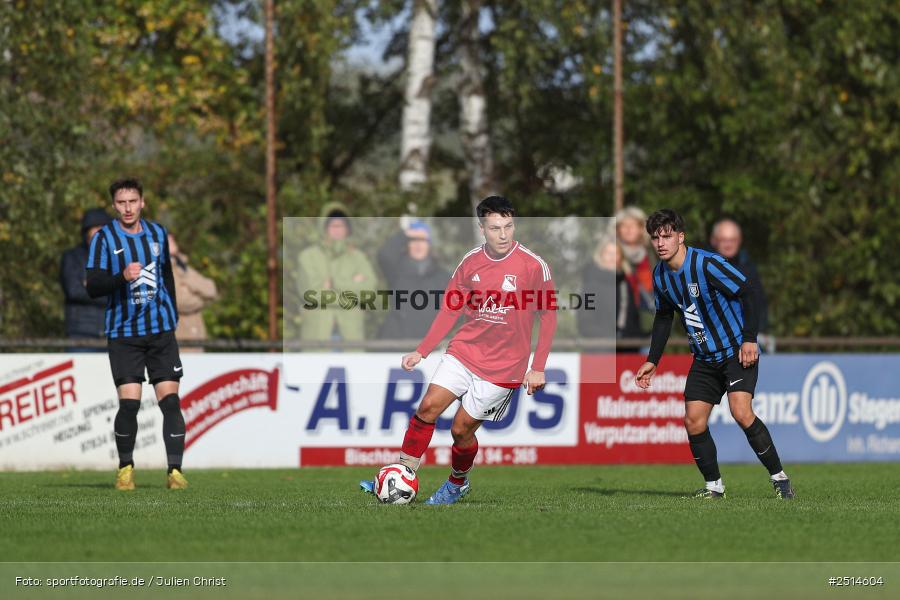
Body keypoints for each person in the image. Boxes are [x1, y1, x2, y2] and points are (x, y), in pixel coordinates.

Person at [360, 196, 558, 504]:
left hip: (504, 366)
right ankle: (400, 475)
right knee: (427, 408)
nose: (503, 234)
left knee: (460, 430)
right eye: (495, 228)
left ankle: (457, 483)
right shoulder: (470, 262)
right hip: (465, 351)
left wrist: (538, 366)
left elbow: (548, 314)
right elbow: (451, 309)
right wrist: (422, 351)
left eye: (508, 226)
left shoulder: (533, 266)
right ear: (482, 229)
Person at [634, 209, 794, 499]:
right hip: (704, 358)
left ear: (681, 237)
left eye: (667, 236)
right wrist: (652, 360)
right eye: (655, 238)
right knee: (693, 421)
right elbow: (664, 317)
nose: (660, 243)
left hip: (735, 351)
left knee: (741, 412)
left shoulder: (706, 263)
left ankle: (780, 478)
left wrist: (749, 339)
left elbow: (749, 291)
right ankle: (714, 487)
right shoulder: (660, 275)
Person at [85, 178, 188, 491]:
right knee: (129, 404)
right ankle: (125, 468)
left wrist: (173, 314)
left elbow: (166, 274)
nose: (128, 208)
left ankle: (175, 472)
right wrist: (122, 276)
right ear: (114, 205)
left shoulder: (158, 233)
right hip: (124, 334)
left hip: (160, 332)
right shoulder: (104, 238)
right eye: (121, 202)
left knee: (170, 402)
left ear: (142, 202)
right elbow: (93, 286)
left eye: (132, 201)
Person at [297, 203, 377, 343]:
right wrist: (353, 295)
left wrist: (334, 283)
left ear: (348, 229)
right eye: (333, 226)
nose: (337, 230)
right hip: (317, 336)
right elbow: (310, 295)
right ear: (324, 228)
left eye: (341, 226)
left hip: (351, 336)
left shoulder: (358, 257)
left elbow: (370, 292)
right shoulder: (308, 256)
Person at [377, 220, 450, 341]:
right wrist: (405, 234)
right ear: (407, 244)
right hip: (396, 342)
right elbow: (384, 255)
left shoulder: (442, 276)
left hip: (429, 345)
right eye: (414, 240)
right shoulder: (396, 271)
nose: (418, 245)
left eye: (422, 240)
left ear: (429, 245)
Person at [60, 208, 112, 350]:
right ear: (86, 231)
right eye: (96, 228)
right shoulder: (72, 257)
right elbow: (74, 291)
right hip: (81, 334)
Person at [710, 217, 770, 335]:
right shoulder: (703, 266)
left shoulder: (749, 269)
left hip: (745, 335)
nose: (728, 244)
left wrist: (759, 331)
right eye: (723, 240)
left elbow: (759, 302)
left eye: (733, 240)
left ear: (740, 240)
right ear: (714, 241)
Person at [577, 237, 641, 346]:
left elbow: (633, 321)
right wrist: (609, 338)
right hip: (600, 349)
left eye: (616, 253)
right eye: (608, 253)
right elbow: (585, 323)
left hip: (627, 348)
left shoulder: (625, 285)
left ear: (621, 258)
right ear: (601, 256)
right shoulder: (590, 286)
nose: (612, 257)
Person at [168, 234, 218, 351]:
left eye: (172, 239)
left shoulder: (183, 266)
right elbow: (179, 301)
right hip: (178, 343)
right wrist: (202, 299)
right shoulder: (160, 270)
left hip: (197, 341)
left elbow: (211, 289)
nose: (172, 242)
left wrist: (187, 284)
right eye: (167, 240)